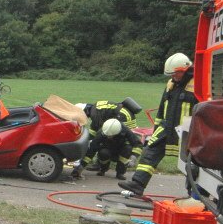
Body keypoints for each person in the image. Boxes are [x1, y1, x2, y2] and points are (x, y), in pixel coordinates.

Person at [119, 53, 199, 196]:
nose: (173, 77)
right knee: (150, 153)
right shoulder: (171, 84)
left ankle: (194, 195)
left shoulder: (198, 83)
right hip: (166, 127)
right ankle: (137, 184)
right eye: (171, 75)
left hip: (189, 130)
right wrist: (156, 128)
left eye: (175, 74)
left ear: (185, 70)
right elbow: (162, 107)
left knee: (192, 164)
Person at [72, 119, 143, 180]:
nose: (108, 137)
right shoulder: (101, 133)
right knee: (103, 153)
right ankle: (103, 169)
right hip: (107, 150)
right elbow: (92, 150)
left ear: (117, 132)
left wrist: (133, 157)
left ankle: (120, 173)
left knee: (128, 148)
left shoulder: (126, 131)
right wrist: (81, 166)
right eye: (107, 135)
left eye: (111, 136)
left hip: (121, 151)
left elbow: (138, 144)